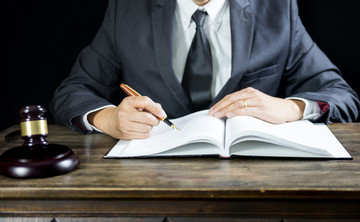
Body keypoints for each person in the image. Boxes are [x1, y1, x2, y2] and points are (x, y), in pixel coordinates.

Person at [51, 0, 360, 140]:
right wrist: (109, 119)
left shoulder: (278, 8)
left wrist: (289, 107)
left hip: (256, 187)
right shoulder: (127, 8)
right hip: (149, 185)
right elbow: (72, 91)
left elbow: (341, 95)